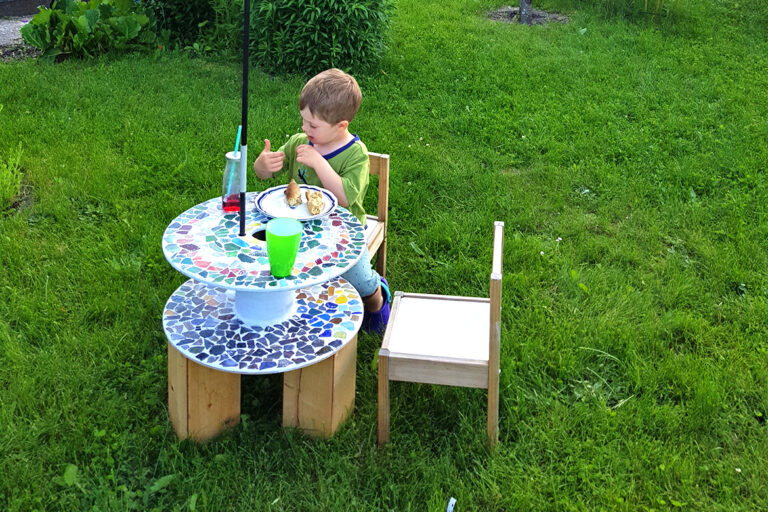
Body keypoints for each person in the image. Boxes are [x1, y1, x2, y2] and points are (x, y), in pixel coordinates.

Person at [253, 68, 391, 333]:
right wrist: (263, 165)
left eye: (312, 125)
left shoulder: (355, 155)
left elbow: (345, 197)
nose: (305, 129)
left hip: (343, 230)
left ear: (341, 126)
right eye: (303, 121)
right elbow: (263, 176)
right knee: (269, 258)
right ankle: (292, 311)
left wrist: (319, 162)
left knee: (357, 278)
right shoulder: (299, 142)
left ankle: (376, 297)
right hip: (297, 225)